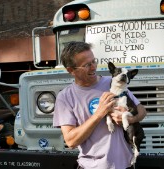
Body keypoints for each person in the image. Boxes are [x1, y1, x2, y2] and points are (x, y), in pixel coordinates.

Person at [53, 41, 147, 169]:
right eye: (87, 65)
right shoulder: (65, 97)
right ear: (71, 70)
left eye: (94, 61)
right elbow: (71, 141)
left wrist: (131, 119)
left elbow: (142, 110)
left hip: (126, 165)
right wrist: (99, 113)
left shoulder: (114, 82)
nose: (93, 67)